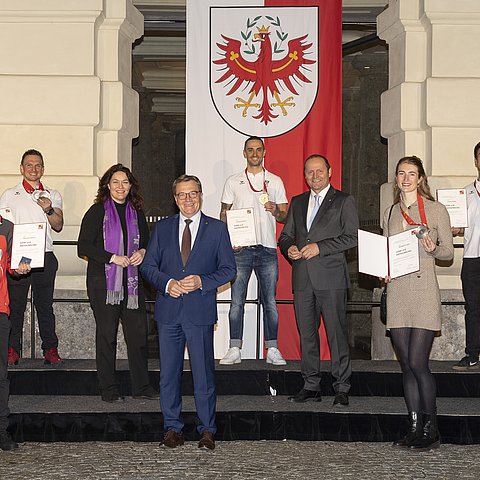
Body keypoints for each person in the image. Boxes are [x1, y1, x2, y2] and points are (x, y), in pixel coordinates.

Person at [141, 174, 236, 450]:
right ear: (175, 199)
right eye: (182, 195)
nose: (188, 199)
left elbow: (230, 269)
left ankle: (207, 430)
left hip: (199, 312)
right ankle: (172, 428)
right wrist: (167, 283)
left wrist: (202, 281)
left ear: (201, 195)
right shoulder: (162, 229)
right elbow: (148, 267)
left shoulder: (217, 229)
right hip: (169, 313)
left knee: (203, 374)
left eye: (193, 193)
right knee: (168, 375)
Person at [382, 156, 453, 450]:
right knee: (406, 367)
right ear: (397, 179)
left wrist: (433, 247)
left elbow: (448, 253)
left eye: (412, 174)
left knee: (417, 362)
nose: (406, 178)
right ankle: (413, 427)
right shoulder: (391, 211)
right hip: (398, 292)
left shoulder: (436, 210)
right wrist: (382, 270)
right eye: (402, 173)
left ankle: (431, 427)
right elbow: (387, 249)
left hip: (424, 293)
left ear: (421, 178)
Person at [278, 154, 358, 407]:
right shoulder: (298, 201)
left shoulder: (344, 200)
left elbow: (353, 237)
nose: (315, 176)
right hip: (302, 278)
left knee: (336, 334)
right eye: (310, 172)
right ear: (305, 175)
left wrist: (319, 248)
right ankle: (311, 385)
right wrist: (289, 248)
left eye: (319, 171)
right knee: (307, 335)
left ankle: (342, 387)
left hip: (332, 278)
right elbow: (285, 235)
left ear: (329, 171)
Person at [77, 164, 158, 403]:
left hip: (132, 283)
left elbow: (147, 242)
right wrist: (112, 257)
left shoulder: (137, 212)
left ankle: (142, 386)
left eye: (125, 182)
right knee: (107, 336)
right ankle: (109, 389)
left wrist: (143, 252)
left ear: (131, 186)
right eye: (115, 182)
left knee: (138, 335)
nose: (120, 186)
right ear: (107, 185)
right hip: (103, 283)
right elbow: (84, 246)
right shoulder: (97, 211)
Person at [219, 136, 288, 366]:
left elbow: (285, 215)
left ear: (264, 152)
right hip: (241, 250)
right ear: (244, 153)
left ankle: (273, 348)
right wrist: (231, 238)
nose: (255, 153)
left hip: (268, 248)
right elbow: (223, 214)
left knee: (270, 301)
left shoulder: (275, 181)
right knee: (236, 301)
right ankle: (234, 347)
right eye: (250, 150)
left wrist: (275, 209)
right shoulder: (233, 181)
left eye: (258, 149)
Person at [0, 149, 63, 366]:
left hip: (45, 255)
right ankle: (11, 349)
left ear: (43, 169)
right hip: (18, 257)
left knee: (45, 306)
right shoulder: (9, 194)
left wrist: (48, 209)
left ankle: (50, 349)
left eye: (38, 165)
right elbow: (4, 230)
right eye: (29, 165)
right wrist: (9, 258)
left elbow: (58, 225)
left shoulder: (53, 194)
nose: (33, 169)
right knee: (16, 306)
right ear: (21, 168)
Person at [0, 215, 31, 450]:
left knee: (0, 376)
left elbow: (14, 267)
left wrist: (22, 267)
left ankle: (1, 431)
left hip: (0, 311)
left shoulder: (7, 227)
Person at [452, 142, 480, 371]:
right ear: (476, 161)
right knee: (472, 308)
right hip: (472, 258)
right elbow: (460, 227)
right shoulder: (465, 193)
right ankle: (472, 354)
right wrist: (454, 228)